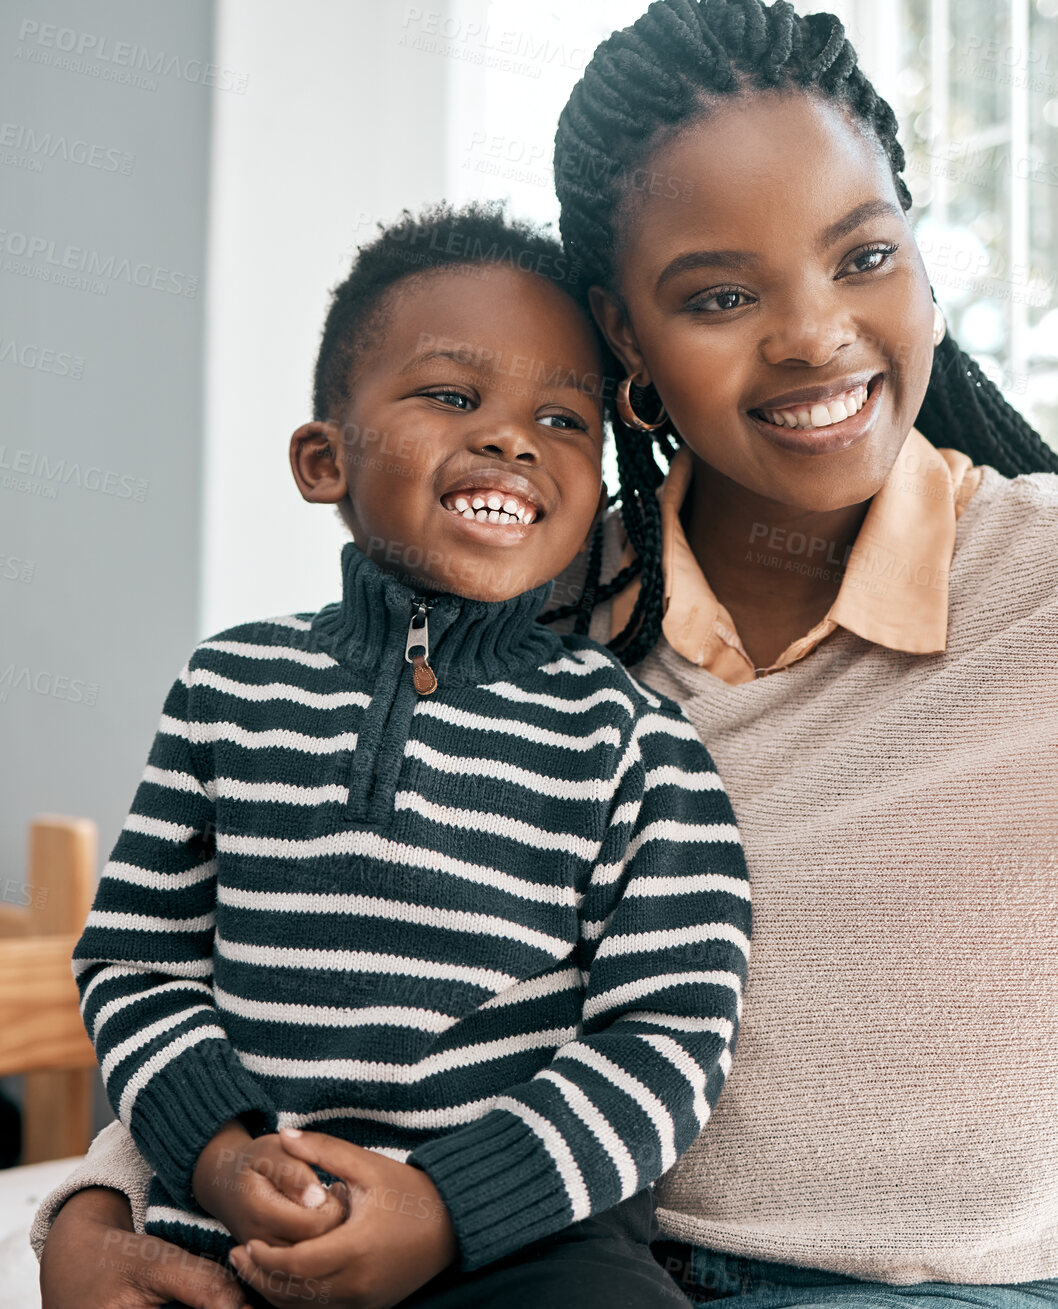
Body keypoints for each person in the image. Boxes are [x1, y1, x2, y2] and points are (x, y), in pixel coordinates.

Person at [35, 2, 1058, 1307]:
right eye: (720, 296)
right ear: (626, 340)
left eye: (863, 255)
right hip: (521, 1261)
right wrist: (94, 1202)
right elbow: (289, 933)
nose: (817, 337)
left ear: (922, 269)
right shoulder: (528, 614)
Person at [46, 202, 751, 1309]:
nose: (513, 438)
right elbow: (137, 963)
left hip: (512, 1245)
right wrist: (221, 1158)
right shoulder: (228, 687)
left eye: (564, 420)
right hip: (238, 1229)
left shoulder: (634, 740)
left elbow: (671, 1033)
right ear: (324, 460)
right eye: (453, 396)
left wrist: (449, 1210)